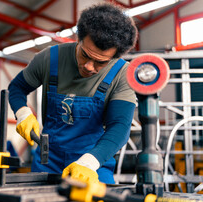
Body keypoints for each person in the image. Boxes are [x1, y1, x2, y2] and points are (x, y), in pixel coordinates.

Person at [8, 3, 138, 184]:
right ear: (78, 38)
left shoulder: (123, 74)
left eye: (100, 62)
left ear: (114, 57)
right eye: (85, 55)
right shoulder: (50, 58)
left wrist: (88, 163)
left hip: (93, 162)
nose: (89, 67)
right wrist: (23, 113)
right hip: (47, 162)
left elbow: (119, 127)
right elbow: (17, 87)